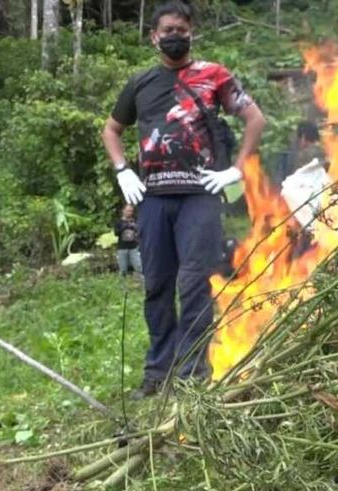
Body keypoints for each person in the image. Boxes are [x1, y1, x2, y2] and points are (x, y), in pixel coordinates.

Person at [101, 1, 266, 399]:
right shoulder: (140, 83)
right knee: (157, 284)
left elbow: (255, 118)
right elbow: (111, 129)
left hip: (200, 197)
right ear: (153, 36)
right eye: (167, 30)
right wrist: (123, 170)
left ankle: (193, 373)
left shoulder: (214, 76)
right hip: (153, 199)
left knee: (194, 283)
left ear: (191, 32)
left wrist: (237, 169)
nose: (174, 36)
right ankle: (158, 372)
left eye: (181, 29)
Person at [114, 204, 142, 276]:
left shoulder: (135, 221)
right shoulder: (119, 221)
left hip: (133, 247)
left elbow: (140, 232)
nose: (129, 213)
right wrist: (124, 227)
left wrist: (134, 227)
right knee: (123, 269)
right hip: (122, 247)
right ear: (123, 211)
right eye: (128, 211)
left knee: (139, 266)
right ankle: (123, 284)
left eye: (131, 211)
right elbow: (116, 233)